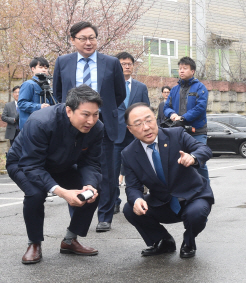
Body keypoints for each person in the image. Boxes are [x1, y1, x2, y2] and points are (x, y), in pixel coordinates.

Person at [6, 85, 103, 265]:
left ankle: (69, 240)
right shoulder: (41, 122)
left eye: (95, 114)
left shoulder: (97, 128)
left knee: (94, 190)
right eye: (85, 115)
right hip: (24, 163)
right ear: (69, 110)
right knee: (36, 193)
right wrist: (61, 191)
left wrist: (89, 184)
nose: (91, 121)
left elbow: (90, 163)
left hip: (62, 165)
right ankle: (34, 243)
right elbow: (32, 165)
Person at [52, 21, 126, 233]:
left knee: (107, 173)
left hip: (104, 126)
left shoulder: (111, 63)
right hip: (73, 127)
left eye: (92, 37)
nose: (88, 42)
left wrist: (101, 113)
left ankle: (105, 216)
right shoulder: (63, 62)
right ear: (73, 40)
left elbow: (119, 94)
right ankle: (77, 218)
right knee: (74, 172)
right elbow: (59, 93)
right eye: (83, 38)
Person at [121, 103, 214, 258]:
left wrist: (193, 157)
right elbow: (132, 186)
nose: (146, 127)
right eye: (138, 124)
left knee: (196, 214)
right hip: (163, 202)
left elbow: (204, 149)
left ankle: (189, 241)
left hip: (193, 196)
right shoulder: (128, 154)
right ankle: (164, 241)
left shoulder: (176, 134)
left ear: (156, 120)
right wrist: (137, 199)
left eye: (149, 120)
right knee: (130, 208)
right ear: (130, 129)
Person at [95, 51, 150, 230]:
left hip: (135, 134)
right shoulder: (107, 86)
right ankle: (115, 201)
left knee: (138, 168)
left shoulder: (141, 87)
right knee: (112, 171)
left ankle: (137, 199)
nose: (126, 66)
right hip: (115, 133)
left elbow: (145, 108)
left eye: (129, 64)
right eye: (122, 64)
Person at [163, 56, 209, 183]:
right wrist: (172, 114)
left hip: (197, 132)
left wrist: (183, 118)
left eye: (185, 68)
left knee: (199, 163)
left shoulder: (200, 88)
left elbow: (200, 108)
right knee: (179, 163)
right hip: (178, 132)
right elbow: (166, 107)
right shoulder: (175, 89)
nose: (181, 71)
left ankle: (205, 191)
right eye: (180, 68)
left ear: (192, 71)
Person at [17, 57, 55, 130]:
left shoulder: (49, 88)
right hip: (31, 127)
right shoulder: (28, 84)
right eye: (40, 67)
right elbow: (21, 103)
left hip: (46, 126)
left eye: (46, 68)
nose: (44, 70)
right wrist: (39, 107)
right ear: (33, 69)